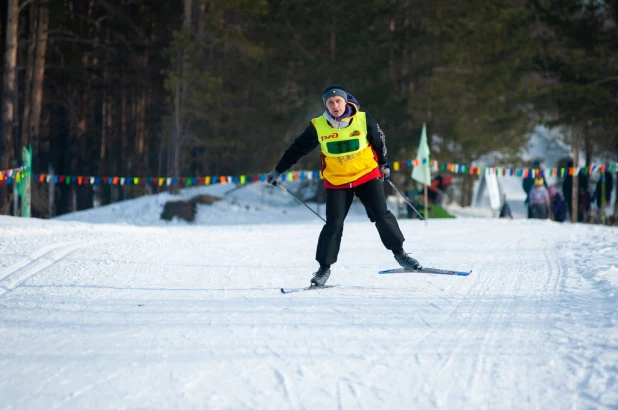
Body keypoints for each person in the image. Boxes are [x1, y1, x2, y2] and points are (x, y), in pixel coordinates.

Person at [265, 85, 421, 287]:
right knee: (334, 224)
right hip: (337, 180)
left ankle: (400, 254)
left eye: (338, 101)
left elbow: (379, 142)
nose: (335, 105)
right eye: (330, 103)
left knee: (381, 215)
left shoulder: (363, 119)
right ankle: (323, 269)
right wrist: (278, 170)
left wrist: (383, 164)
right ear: (326, 106)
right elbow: (297, 149)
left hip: (366, 175)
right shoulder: (318, 125)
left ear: (345, 101)